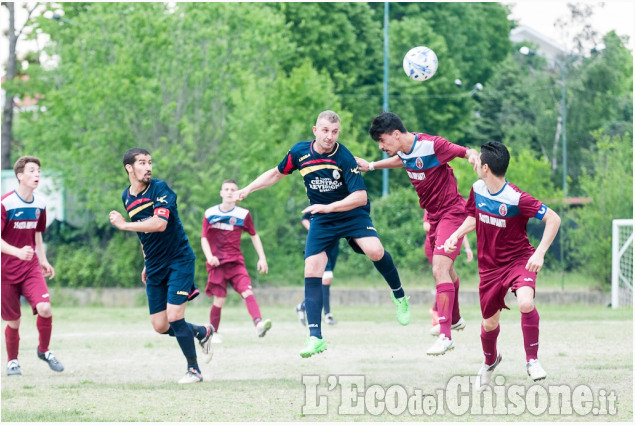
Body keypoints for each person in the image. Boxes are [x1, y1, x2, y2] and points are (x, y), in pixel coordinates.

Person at [235, 110, 410, 358]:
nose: (330, 136)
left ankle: (399, 295)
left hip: (351, 213)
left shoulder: (344, 156)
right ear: (315, 130)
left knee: (375, 250)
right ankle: (315, 337)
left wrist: (329, 207)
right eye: (325, 131)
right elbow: (275, 173)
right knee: (312, 269)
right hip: (323, 218)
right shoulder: (300, 153)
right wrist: (248, 188)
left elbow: (360, 197)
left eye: (335, 132)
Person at [357, 112, 478, 356]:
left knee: (439, 269)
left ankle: (445, 336)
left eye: (382, 141)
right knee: (448, 270)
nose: (381, 147)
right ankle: (454, 319)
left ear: (396, 134)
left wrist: (474, 155)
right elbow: (403, 160)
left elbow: (465, 151)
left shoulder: (433, 145)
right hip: (433, 217)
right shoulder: (404, 150)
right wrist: (372, 166)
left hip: (452, 213)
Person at [443, 141, 561, 388]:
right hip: (489, 269)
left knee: (526, 303)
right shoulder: (477, 188)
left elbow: (553, 218)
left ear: (485, 167)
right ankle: (490, 361)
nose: (474, 163)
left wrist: (539, 254)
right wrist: (456, 234)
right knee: (489, 323)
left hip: (519, 260)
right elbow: (474, 216)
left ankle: (532, 360)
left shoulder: (517, 198)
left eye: (477, 162)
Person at [109, 148, 213, 384]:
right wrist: (147, 261)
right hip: (155, 264)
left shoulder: (160, 189)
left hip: (179, 259)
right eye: (142, 163)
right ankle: (201, 332)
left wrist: (123, 225)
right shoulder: (127, 197)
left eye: (149, 162)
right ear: (129, 168)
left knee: (175, 316)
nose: (148, 167)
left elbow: (159, 224)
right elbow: (144, 233)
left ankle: (194, 370)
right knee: (160, 325)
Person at [1, 156, 64, 376]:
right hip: (6, 271)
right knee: (14, 321)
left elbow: (37, 234)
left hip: (30, 268)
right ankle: (12, 361)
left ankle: (44, 350)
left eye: (38, 170)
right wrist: (17, 251)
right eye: (31, 170)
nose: (37, 174)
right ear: (20, 175)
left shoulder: (40, 203)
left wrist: (43, 259)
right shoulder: (6, 203)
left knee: (45, 308)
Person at [201, 179, 272, 341]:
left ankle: (259, 324)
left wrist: (262, 258)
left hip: (235, 264)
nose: (229, 192)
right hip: (217, 264)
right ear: (221, 193)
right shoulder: (210, 213)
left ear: (238, 193)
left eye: (233, 189)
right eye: (226, 189)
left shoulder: (243, 214)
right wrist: (209, 256)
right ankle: (214, 333)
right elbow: (204, 238)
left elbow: (254, 235)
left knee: (248, 292)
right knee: (219, 300)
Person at [424, 210, 473, 335]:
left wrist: (467, 247)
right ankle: (440, 314)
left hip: (449, 242)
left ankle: (449, 317)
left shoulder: (454, 203)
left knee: (447, 274)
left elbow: (462, 226)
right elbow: (426, 226)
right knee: (442, 274)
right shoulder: (433, 200)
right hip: (435, 244)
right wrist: (443, 227)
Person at [295, 211, 339, 326]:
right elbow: (304, 219)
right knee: (327, 278)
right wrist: (315, 231)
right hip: (321, 242)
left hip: (334, 244)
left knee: (325, 281)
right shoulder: (319, 199)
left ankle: (303, 306)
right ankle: (327, 315)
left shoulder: (340, 199)